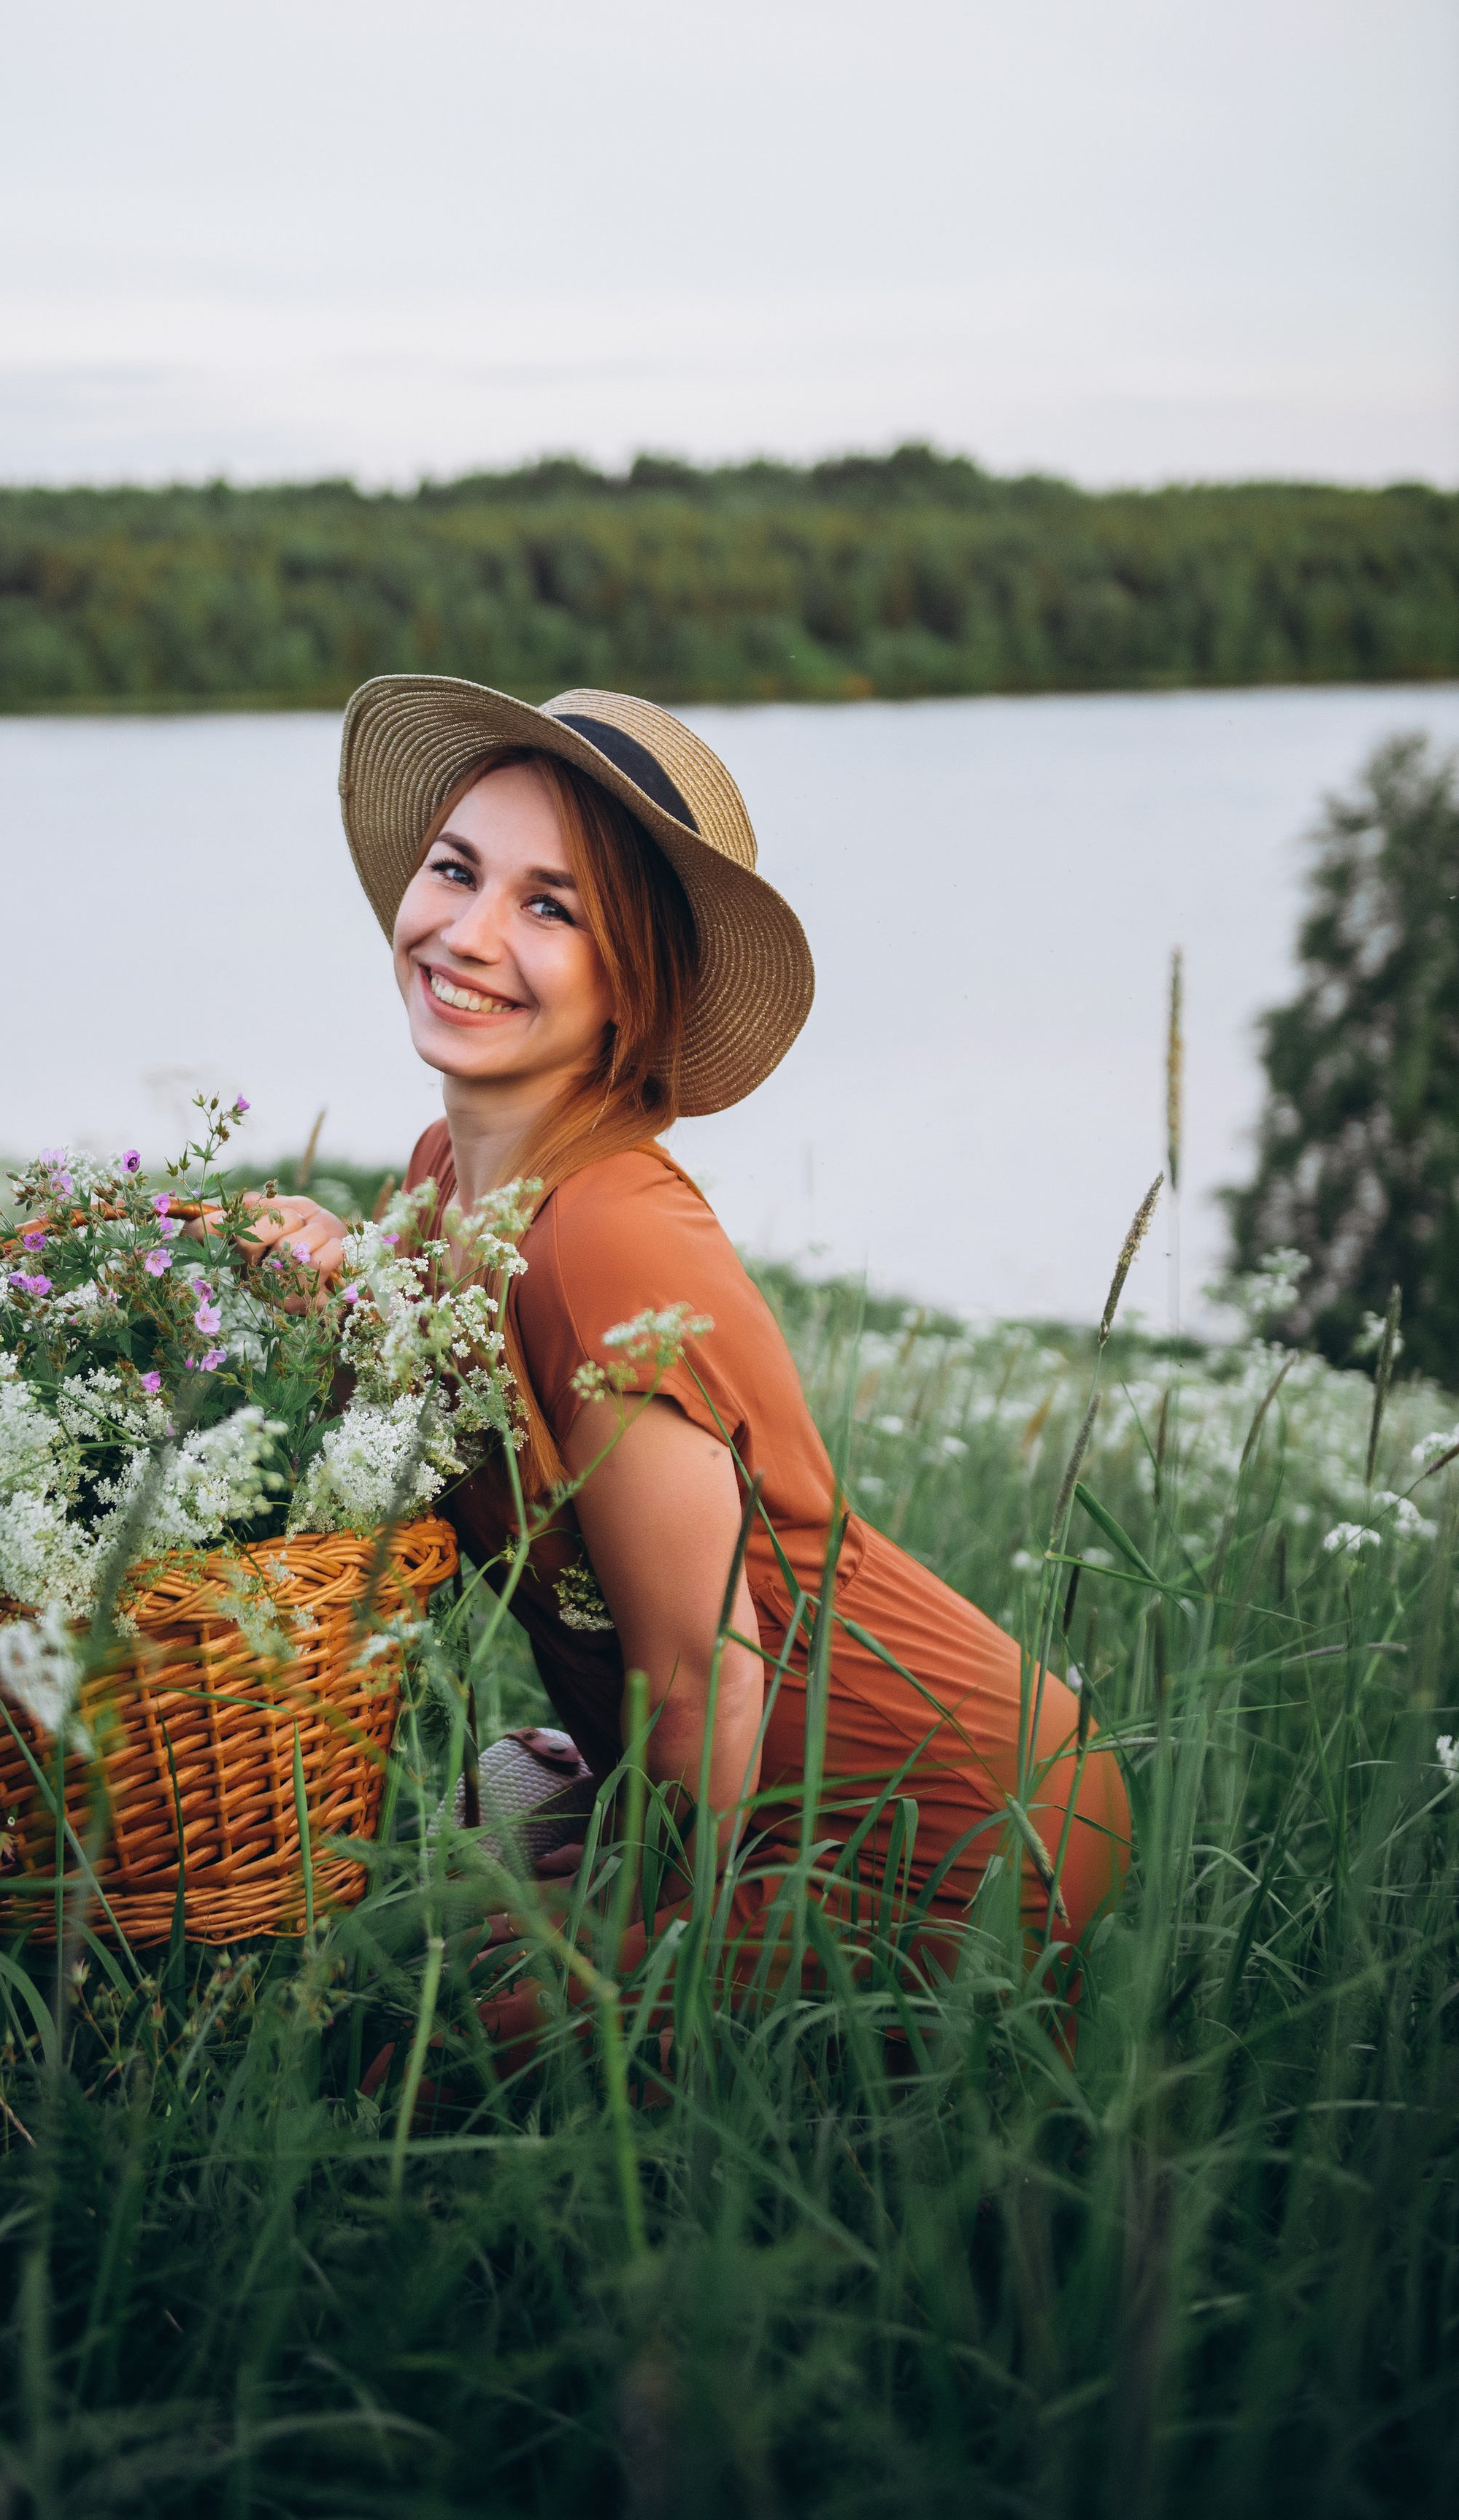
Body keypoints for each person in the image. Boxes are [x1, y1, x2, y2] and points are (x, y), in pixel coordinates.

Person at [250, 677, 1130, 2012]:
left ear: (632, 984)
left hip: (946, 1826)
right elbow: (456, 1429)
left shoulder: (613, 1233)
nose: (468, 933)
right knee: (374, 1969)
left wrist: (636, 1926)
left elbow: (703, 1672)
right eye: (456, 870)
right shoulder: (444, 1176)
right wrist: (337, 1293)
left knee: (417, 2070)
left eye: (552, 907)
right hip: (743, 1795)